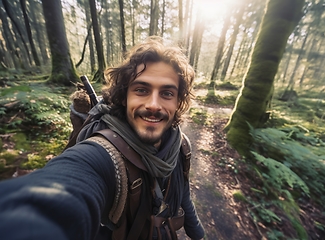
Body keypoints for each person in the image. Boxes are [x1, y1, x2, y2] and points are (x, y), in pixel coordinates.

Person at [0, 37, 205, 240]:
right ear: (124, 97)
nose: (153, 104)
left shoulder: (180, 145)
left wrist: (197, 232)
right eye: (141, 90)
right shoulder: (104, 154)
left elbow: (183, 192)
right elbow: (64, 188)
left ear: (178, 102)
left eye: (167, 93)